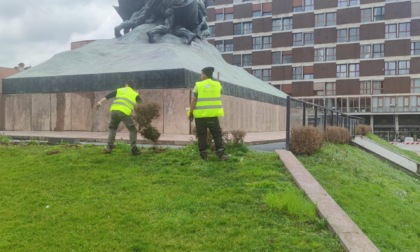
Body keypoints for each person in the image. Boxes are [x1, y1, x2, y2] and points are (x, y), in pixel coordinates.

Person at [188, 67, 229, 161]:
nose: (200, 76)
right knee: (217, 135)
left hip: (200, 116)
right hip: (212, 116)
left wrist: (190, 112)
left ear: (205, 75)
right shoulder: (217, 85)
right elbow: (219, 93)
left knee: (202, 135)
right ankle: (221, 154)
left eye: (201, 74)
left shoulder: (198, 85)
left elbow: (194, 100)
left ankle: (204, 155)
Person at [95, 80, 141, 155]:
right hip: (124, 112)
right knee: (133, 130)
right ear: (133, 87)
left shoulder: (120, 90)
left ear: (126, 85)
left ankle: (109, 147)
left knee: (113, 128)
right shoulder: (135, 93)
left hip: (114, 111)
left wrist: (99, 102)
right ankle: (134, 149)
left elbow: (108, 96)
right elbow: (142, 105)